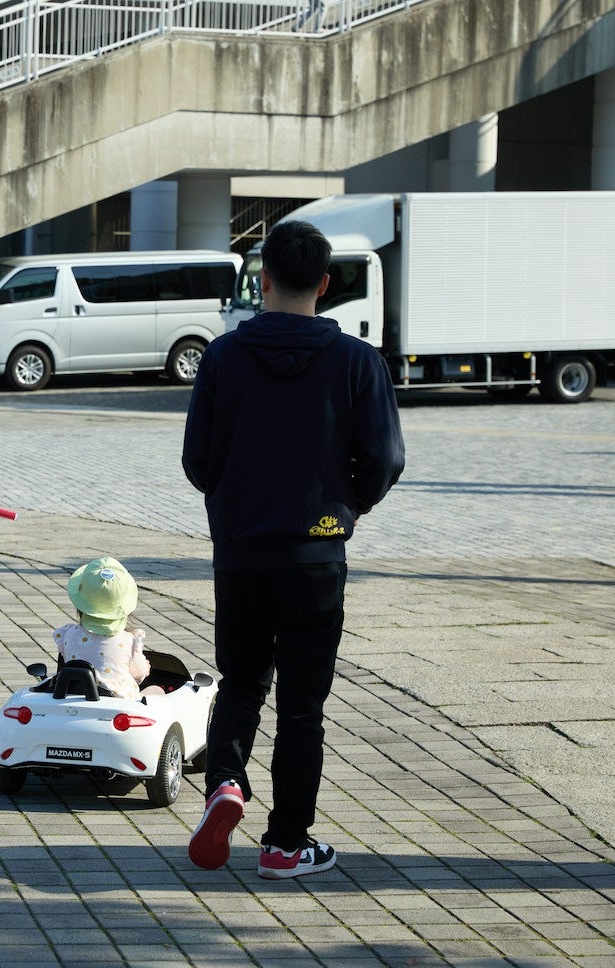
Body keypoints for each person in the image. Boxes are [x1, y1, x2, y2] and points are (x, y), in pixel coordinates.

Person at [181, 219, 405, 880]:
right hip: (317, 554)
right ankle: (285, 844)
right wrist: (348, 505)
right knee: (303, 707)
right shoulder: (358, 362)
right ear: (327, 284)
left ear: (265, 279)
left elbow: (198, 460)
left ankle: (224, 780)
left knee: (243, 683)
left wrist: (233, 501)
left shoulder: (223, 357)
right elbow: (386, 457)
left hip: (243, 552)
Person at [54, 557, 150, 700]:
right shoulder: (130, 642)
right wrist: (146, 666)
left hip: (75, 699)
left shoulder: (67, 635)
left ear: (81, 604)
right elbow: (139, 675)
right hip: (120, 705)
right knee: (156, 691)